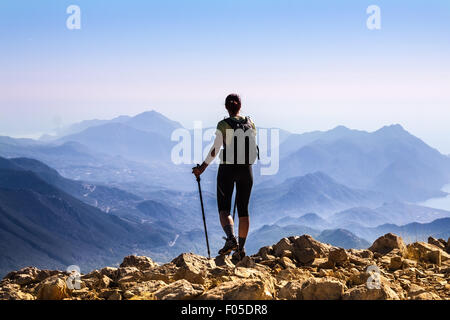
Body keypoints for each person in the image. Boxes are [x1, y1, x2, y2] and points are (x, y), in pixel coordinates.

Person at [192, 93, 256, 261]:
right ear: (240, 106)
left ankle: (230, 239)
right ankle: (240, 250)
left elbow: (216, 148)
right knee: (243, 210)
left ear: (227, 107)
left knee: (224, 208)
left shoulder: (223, 124)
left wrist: (202, 167)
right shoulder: (250, 123)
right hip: (246, 170)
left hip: (228, 169)